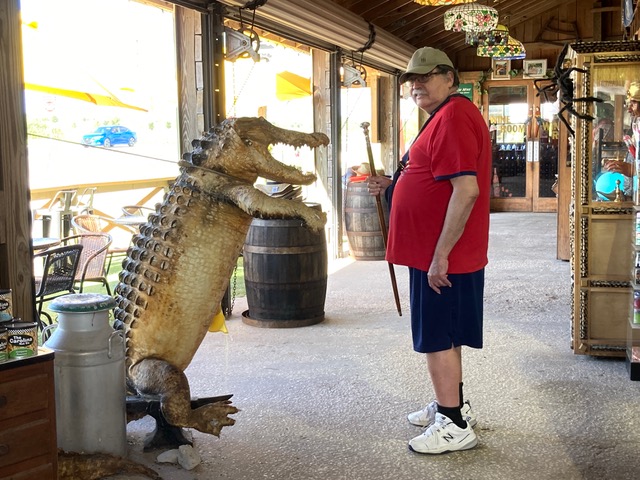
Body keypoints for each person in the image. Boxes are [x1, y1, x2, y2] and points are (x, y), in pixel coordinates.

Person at [367, 47, 491, 454]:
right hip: (437, 252)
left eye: (427, 76)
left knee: (437, 337)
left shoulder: (452, 117)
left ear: (450, 78)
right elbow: (433, 179)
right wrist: (394, 185)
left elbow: (466, 190)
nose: (417, 84)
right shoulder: (443, 116)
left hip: (441, 256)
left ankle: (453, 425)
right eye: (411, 79)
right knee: (446, 333)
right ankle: (450, 404)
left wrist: (441, 256)